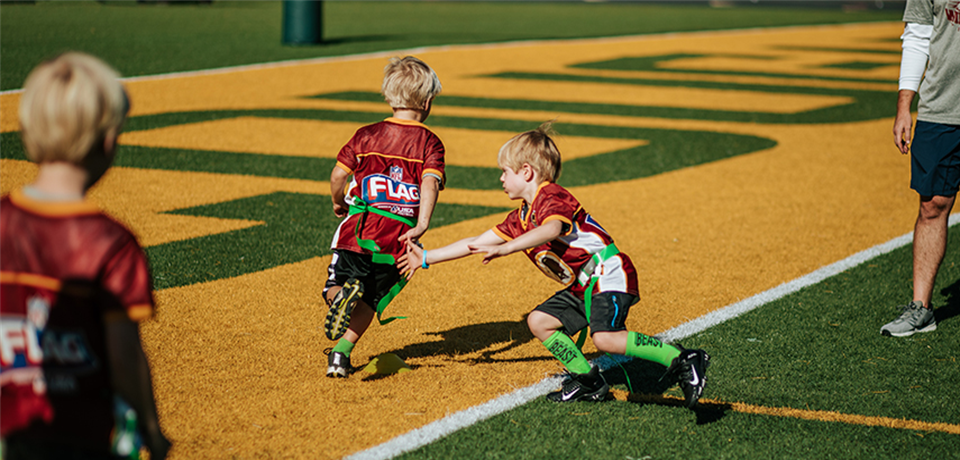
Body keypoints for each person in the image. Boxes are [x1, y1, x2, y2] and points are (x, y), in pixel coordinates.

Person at [400, 122, 709, 407]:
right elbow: (474, 243)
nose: (501, 179)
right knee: (540, 322)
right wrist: (426, 258)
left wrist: (509, 248)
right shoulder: (520, 216)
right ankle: (588, 381)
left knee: (604, 338)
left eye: (504, 171)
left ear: (526, 171)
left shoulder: (552, 197)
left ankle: (683, 358)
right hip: (583, 283)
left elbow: (551, 229)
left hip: (607, 271)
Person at [0, 53, 170, 459]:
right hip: (80, 436)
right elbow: (124, 354)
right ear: (109, 141)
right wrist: (150, 425)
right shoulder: (110, 242)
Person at [322, 56, 445, 378]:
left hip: (358, 232)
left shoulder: (366, 134)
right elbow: (429, 183)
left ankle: (338, 299)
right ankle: (340, 354)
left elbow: (338, 175)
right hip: (396, 242)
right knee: (371, 299)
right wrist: (422, 224)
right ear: (428, 102)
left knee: (338, 286)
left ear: (388, 97)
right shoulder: (430, 142)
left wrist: (338, 202)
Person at [885, 0, 959, 337]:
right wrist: (905, 105)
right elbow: (917, 35)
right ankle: (921, 308)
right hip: (940, 106)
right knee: (932, 205)